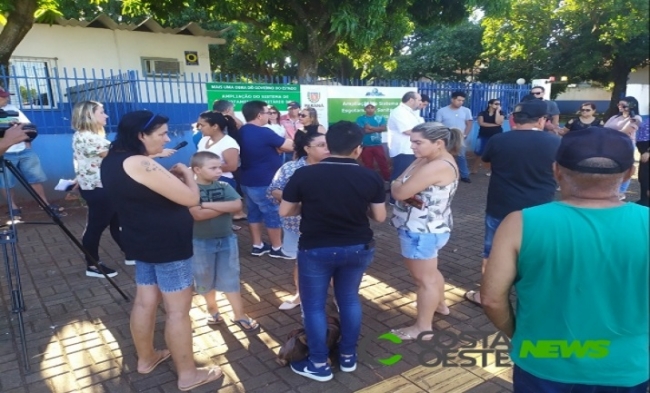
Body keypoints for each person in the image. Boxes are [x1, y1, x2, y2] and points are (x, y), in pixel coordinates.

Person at [481, 126, 648, 392]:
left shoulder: (519, 223)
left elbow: (491, 298)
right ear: (629, 173)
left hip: (544, 362)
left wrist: (521, 336)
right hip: (626, 366)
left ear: (556, 170)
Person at [101, 110, 222, 391]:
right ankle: (188, 374)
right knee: (178, 311)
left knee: (145, 301)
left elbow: (142, 191)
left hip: (140, 240)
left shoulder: (112, 160)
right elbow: (191, 198)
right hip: (169, 245)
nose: (167, 138)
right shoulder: (141, 162)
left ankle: (146, 358)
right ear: (141, 136)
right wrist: (186, 174)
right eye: (161, 134)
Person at [280, 121, 386, 382]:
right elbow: (380, 217)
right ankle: (348, 356)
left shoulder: (305, 174)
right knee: (349, 299)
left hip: (316, 248)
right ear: (358, 149)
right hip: (357, 247)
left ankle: (319, 363)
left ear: (328, 146)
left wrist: (309, 206)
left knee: (314, 306)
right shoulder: (370, 175)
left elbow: (285, 210)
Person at [463, 99, 561, 307]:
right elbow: (561, 172)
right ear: (543, 120)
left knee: (492, 253)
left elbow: (488, 162)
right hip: (540, 209)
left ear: (514, 119)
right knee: (536, 253)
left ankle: (486, 295)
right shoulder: (555, 143)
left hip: (501, 207)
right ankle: (534, 296)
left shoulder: (499, 140)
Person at [389, 122, 462, 340]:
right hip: (431, 228)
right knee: (430, 273)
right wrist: (411, 170)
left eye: (418, 142)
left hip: (422, 231)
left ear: (438, 143)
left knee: (423, 280)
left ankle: (423, 327)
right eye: (412, 141)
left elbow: (399, 191)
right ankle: (440, 305)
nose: (413, 147)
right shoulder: (435, 160)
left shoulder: (435, 165)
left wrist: (399, 180)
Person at [188, 151, 259, 332]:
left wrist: (204, 204)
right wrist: (222, 207)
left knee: (231, 277)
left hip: (226, 239)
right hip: (200, 242)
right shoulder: (190, 190)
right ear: (197, 169)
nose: (219, 170)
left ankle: (239, 314)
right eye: (213, 168)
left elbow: (236, 206)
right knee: (204, 277)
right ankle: (212, 310)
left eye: (219, 166)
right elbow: (197, 215)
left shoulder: (223, 185)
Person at [268, 130, 330, 310]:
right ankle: (300, 295)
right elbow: (273, 190)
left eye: (328, 145)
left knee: (333, 262)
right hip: (296, 225)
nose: (327, 149)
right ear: (307, 148)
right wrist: (296, 199)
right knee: (301, 262)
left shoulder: (335, 167)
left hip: (328, 226)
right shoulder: (290, 168)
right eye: (321, 145)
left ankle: (339, 298)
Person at [71, 101, 128, 278]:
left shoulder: (84, 136)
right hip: (98, 188)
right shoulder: (89, 138)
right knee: (95, 227)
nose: (106, 115)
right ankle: (93, 265)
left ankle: (131, 253)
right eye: (102, 112)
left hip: (100, 186)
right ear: (89, 115)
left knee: (117, 221)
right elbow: (118, 157)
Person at [238, 100, 294, 257]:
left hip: (247, 180)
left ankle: (257, 245)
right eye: (266, 112)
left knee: (254, 213)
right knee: (272, 213)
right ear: (259, 115)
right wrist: (278, 147)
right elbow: (289, 146)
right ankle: (277, 247)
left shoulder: (242, 131)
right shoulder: (264, 132)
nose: (269, 115)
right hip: (264, 181)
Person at [0, 87, 64, 220]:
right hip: (4, 153)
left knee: (35, 179)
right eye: (4, 96)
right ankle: (14, 208)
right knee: (6, 183)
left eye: (7, 96)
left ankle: (45, 204)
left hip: (24, 151)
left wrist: (28, 144)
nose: (7, 98)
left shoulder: (13, 109)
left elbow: (28, 126)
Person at [195, 111, 246, 225]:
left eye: (202, 125)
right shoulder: (203, 140)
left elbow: (232, 166)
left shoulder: (228, 143)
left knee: (219, 215)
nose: (199, 128)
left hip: (222, 181)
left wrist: (207, 170)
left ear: (215, 126)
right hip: (203, 182)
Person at [604, 96, 643, 200]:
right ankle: (610, 188)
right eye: (619, 104)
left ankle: (621, 191)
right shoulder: (615, 117)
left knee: (625, 167)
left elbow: (625, 132)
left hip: (625, 145)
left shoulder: (636, 118)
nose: (620, 107)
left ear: (631, 106)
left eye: (623, 105)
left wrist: (609, 133)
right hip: (610, 145)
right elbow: (604, 128)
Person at [387, 92, 423, 202]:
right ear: (411, 100)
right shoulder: (399, 112)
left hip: (411, 149)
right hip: (403, 150)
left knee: (410, 175)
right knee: (400, 175)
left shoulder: (411, 112)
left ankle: (406, 198)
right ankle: (394, 199)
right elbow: (408, 131)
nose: (420, 102)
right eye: (419, 100)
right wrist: (427, 134)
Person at [435, 91, 473, 183]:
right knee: (444, 156)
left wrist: (465, 134)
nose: (461, 102)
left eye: (462, 100)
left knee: (461, 156)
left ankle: (464, 175)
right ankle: (443, 174)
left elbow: (469, 123)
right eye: (459, 100)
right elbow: (438, 125)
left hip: (460, 138)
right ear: (452, 99)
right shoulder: (442, 111)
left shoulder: (466, 111)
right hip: (446, 138)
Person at [356, 102, 390, 181]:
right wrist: (377, 129)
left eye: (372, 107)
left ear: (375, 109)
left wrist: (370, 127)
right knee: (368, 165)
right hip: (366, 145)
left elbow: (384, 129)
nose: (370, 109)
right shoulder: (360, 119)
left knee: (383, 163)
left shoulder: (380, 118)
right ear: (365, 109)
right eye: (368, 107)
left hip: (378, 145)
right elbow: (363, 131)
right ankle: (370, 181)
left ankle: (387, 180)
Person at [473, 99, 505, 175]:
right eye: (496, 104)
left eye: (499, 104)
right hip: (483, 135)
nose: (498, 105)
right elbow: (481, 123)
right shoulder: (482, 113)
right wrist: (495, 125)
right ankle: (474, 169)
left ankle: (491, 170)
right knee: (479, 152)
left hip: (496, 136)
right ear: (490, 104)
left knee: (495, 153)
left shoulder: (501, 113)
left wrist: (497, 112)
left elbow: (499, 122)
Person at [635, 117, 649, 206]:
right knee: (643, 176)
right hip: (642, 146)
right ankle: (644, 199)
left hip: (647, 149)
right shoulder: (645, 116)